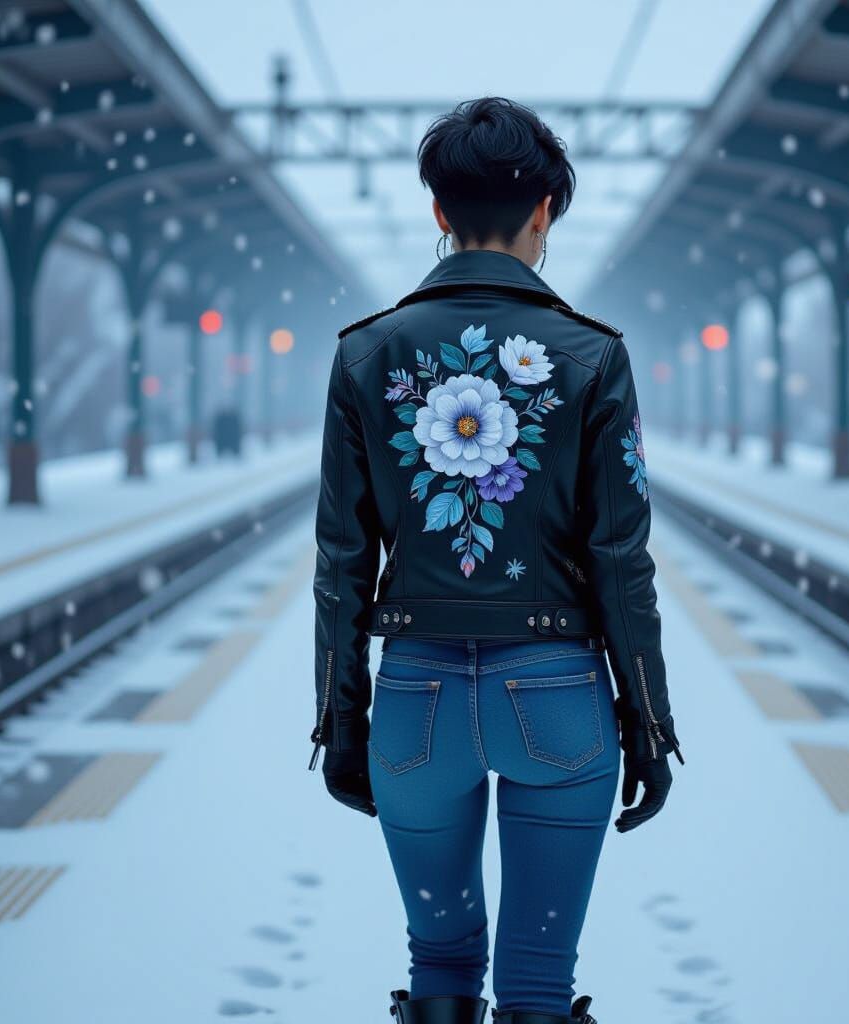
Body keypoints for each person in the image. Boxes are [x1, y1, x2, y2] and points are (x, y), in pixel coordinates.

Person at [310, 96, 683, 1024]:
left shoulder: (366, 355)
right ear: (546, 211)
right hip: (558, 698)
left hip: (416, 704)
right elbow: (621, 561)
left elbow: (341, 562)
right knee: (537, 983)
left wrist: (339, 717)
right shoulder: (594, 357)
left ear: (438, 212)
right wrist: (648, 720)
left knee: (438, 957)